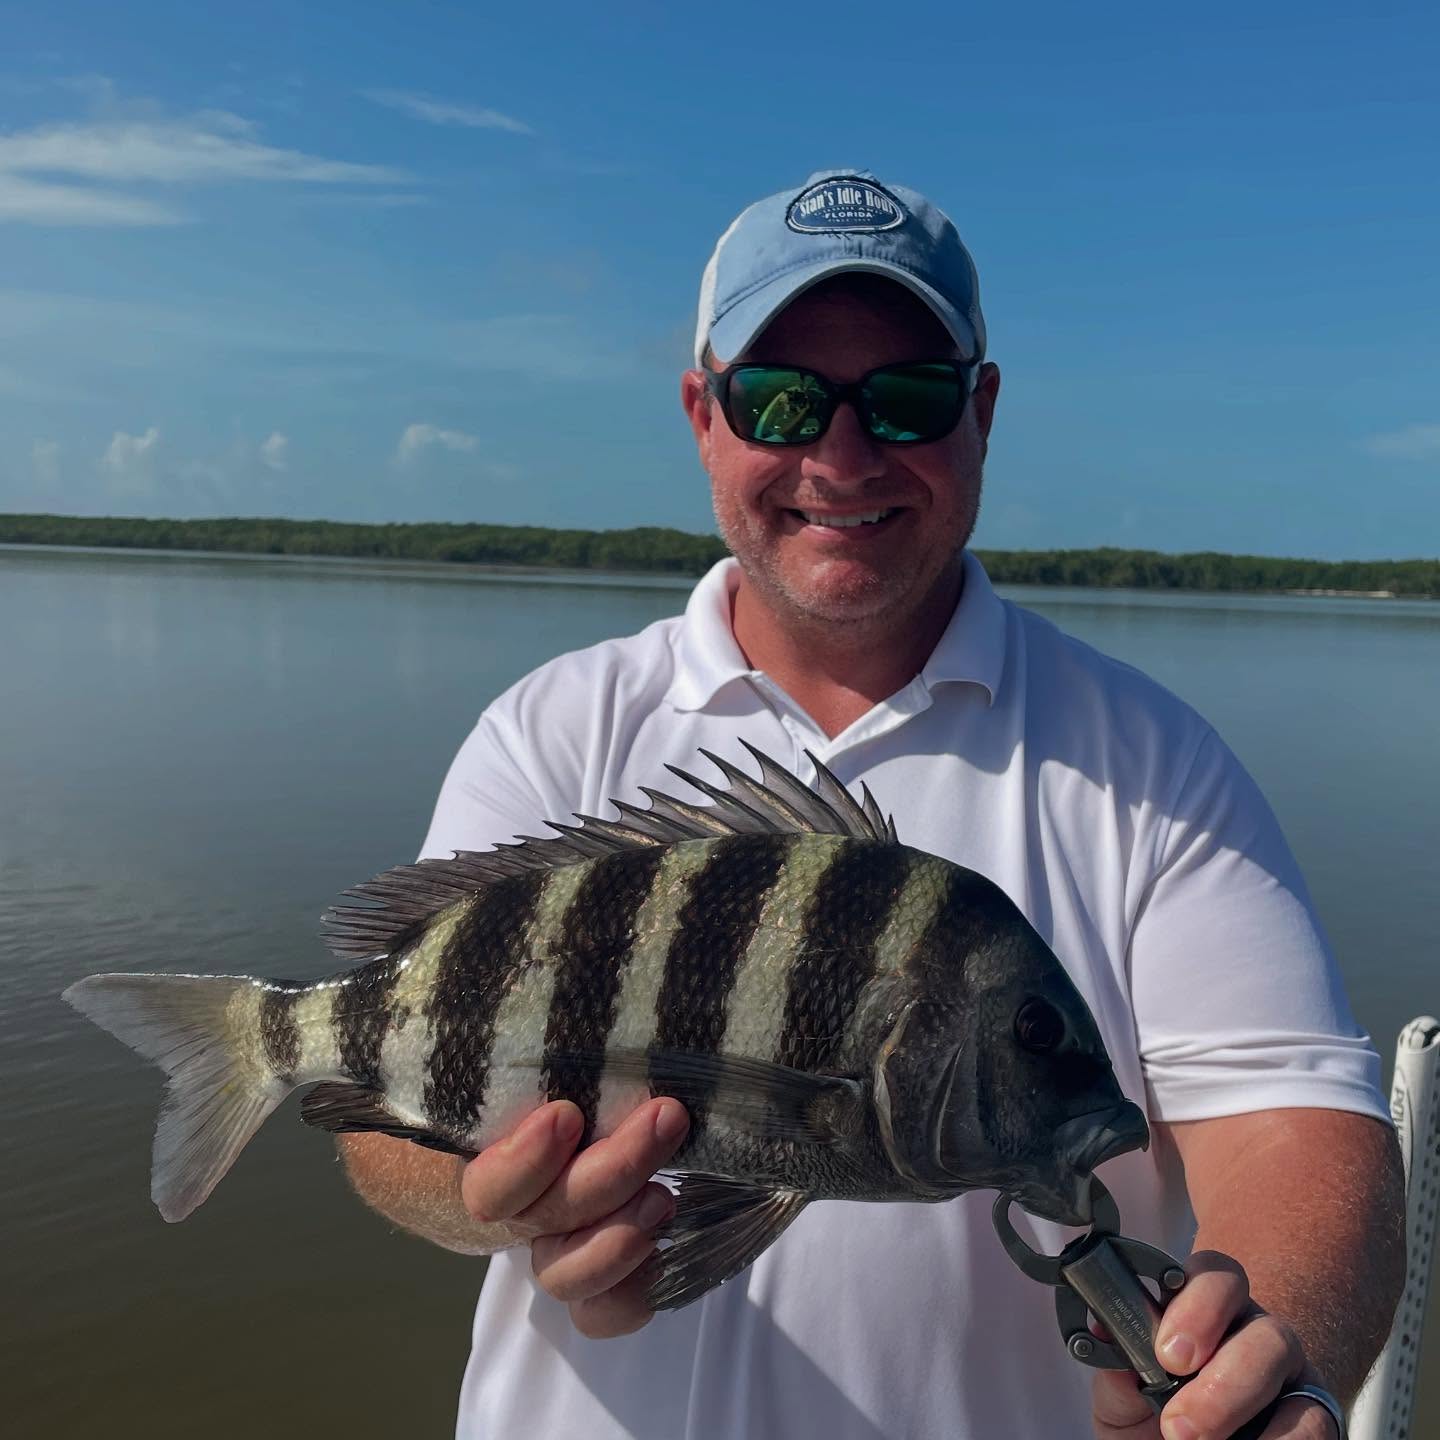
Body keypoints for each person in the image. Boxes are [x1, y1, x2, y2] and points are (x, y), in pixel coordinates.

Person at [339, 170, 1405, 1439]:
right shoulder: (552, 728)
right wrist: (493, 1201)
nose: (841, 457)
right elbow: (383, 1093)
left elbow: (1297, 1128)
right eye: (781, 400)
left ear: (981, 411)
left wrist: (1265, 1350)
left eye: (906, 399)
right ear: (704, 415)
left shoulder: (1154, 764)